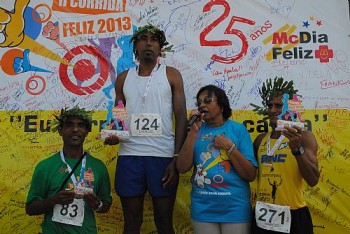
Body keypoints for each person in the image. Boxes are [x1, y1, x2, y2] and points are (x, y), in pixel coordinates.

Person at [104, 24, 187, 234]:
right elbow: (120, 114)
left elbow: (181, 117)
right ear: (135, 48)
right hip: (130, 154)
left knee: (163, 221)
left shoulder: (172, 75)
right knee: (131, 222)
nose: (149, 43)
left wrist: (176, 157)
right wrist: (115, 132)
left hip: (162, 155)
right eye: (143, 39)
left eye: (154, 39)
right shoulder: (123, 78)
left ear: (161, 48)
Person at [176, 85, 258, 234]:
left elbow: (250, 174)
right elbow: (182, 167)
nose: (202, 105)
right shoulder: (196, 130)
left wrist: (229, 147)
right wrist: (192, 132)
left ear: (221, 105)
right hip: (203, 209)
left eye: (207, 100)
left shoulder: (238, 130)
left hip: (235, 209)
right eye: (199, 102)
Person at [26, 106, 112, 233]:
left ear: (87, 131)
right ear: (60, 130)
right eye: (69, 125)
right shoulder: (45, 167)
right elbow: (30, 209)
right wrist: (54, 200)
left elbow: (106, 204)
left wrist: (98, 205)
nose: (75, 129)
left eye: (81, 125)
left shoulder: (98, 167)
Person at [250, 77, 319, 234]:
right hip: (262, 214)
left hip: (294, 213)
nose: (273, 110)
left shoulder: (305, 137)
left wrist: (297, 150)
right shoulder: (260, 139)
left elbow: (313, 180)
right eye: (270, 105)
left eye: (279, 106)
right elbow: (250, 174)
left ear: (290, 108)